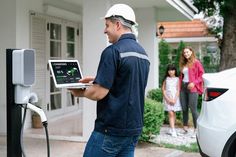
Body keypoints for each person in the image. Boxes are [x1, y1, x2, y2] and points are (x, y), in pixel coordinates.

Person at [70, 4, 150, 157]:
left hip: (110, 130)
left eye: (107, 25)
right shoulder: (143, 54)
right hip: (133, 130)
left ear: (118, 24)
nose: (104, 30)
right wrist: (98, 79)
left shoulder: (112, 51)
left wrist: (79, 92)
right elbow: (128, 82)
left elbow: (98, 93)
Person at [179, 46, 204, 135]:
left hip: (192, 87)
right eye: (184, 53)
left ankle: (196, 129)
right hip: (183, 87)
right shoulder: (183, 63)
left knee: (193, 109)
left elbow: (202, 75)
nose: (186, 54)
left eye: (187, 52)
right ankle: (185, 128)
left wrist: (194, 83)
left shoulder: (196, 62)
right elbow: (181, 76)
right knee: (184, 108)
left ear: (191, 52)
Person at [162, 64, 182, 137]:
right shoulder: (166, 79)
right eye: (169, 70)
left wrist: (174, 99)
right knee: (170, 113)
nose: (171, 72)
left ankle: (171, 128)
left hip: (175, 98)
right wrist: (167, 99)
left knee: (173, 113)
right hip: (167, 97)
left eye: (172, 70)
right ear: (167, 71)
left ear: (175, 71)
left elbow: (178, 90)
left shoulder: (177, 79)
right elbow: (163, 89)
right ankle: (173, 130)